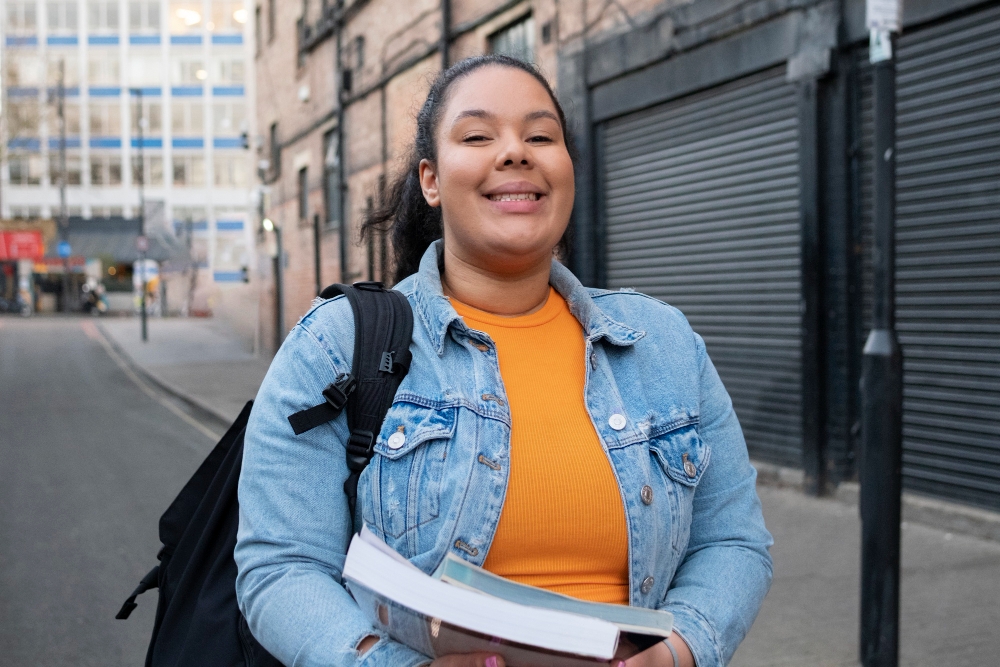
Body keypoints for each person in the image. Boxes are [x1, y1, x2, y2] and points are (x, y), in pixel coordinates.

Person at [236, 55, 773, 667]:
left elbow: (733, 541)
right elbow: (282, 565)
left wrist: (675, 652)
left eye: (540, 136)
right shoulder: (334, 345)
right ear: (431, 180)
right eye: (478, 135)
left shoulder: (664, 342)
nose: (516, 152)